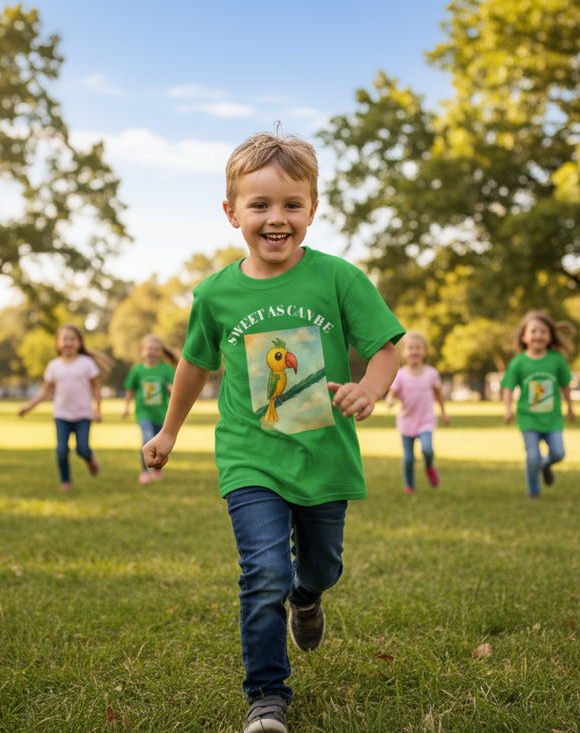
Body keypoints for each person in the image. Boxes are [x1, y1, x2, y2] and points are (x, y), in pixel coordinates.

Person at [142, 130, 404, 733]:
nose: (276, 218)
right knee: (264, 573)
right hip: (249, 456)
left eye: (291, 204)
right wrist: (169, 432)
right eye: (259, 205)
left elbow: (387, 349)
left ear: (314, 208)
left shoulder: (338, 279)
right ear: (232, 212)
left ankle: (308, 600)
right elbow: (194, 364)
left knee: (319, 569)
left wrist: (370, 387)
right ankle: (266, 695)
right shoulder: (214, 293)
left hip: (323, 458)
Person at [18, 324, 110, 491]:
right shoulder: (54, 366)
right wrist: (28, 407)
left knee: (82, 449)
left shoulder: (87, 363)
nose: (68, 342)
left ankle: (91, 459)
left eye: (72, 339)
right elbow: (45, 391)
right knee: (61, 450)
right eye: (65, 339)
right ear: (58, 343)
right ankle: (65, 481)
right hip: (61, 414)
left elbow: (97, 387)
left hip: (83, 414)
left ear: (80, 343)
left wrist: (98, 410)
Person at [501, 310, 576, 498]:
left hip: (552, 418)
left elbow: (566, 385)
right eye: (533, 331)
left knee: (558, 453)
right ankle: (533, 491)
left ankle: (545, 465)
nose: (538, 335)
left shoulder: (556, 360)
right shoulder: (518, 362)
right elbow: (508, 388)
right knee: (532, 456)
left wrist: (571, 408)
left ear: (550, 336)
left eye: (543, 331)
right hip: (528, 417)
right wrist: (507, 409)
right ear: (524, 336)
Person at [385, 332, 449, 494]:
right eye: (410, 348)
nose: (414, 351)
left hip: (426, 420)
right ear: (404, 352)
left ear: (425, 351)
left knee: (427, 449)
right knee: (408, 458)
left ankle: (429, 467)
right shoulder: (400, 374)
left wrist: (443, 412)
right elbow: (392, 393)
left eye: (418, 348)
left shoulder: (431, 374)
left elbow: (439, 395)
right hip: (406, 422)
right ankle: (410, 485)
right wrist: (390, 400)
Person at [121, 334, 178, 484]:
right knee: (147, 440)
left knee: (159, 443)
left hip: (161, 413)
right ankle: (145, 471)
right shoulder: (137, 370)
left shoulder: (166, 370)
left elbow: (175, 388)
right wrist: (126, 407)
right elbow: (130, 389)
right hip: (143, 412)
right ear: (142, 351)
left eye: (156, 349)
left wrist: (171, 388)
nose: (152, 351)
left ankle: (157, 468)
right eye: (149, 348)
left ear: (161, 352)